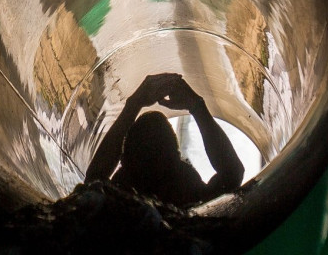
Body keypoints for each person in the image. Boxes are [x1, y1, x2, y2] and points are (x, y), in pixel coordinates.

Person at [85, 73, 244, 206]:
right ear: (177, 157)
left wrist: (133, 105)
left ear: (123, 159)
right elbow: (232, 175)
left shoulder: (116, 204)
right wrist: (197, 106)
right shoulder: (192, 198)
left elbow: (94, 181)